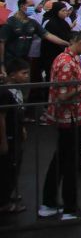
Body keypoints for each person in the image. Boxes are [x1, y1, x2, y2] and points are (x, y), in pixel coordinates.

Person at [41, 28, 81, 220]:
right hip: (70, 118)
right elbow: (64, 95)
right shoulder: (66, 62)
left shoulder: (71, 58)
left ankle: (49, 203)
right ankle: (70, 208)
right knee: (70, 164)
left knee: (60, 161)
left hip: (74, 116)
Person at [0, 59, 29, 215]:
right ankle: (4, 201)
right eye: (23, 73)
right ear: (12, 75)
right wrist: (3, 140)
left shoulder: (18, 89)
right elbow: (2, 118)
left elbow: (19, 111)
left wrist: (23, 127)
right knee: (7, 167)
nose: (27, 77)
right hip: (9, 135)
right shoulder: (5, 92)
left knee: (15, 164)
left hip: (16, 132)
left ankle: (9, 192)